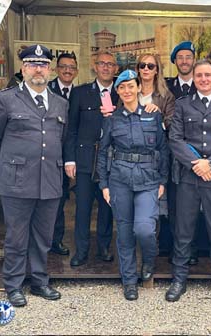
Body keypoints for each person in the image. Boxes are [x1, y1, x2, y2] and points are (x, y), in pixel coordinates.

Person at [0, 44, 68, 307]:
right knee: (17, 237)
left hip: (50, 180)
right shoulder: (5, 99)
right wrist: (13, 163)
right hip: (17, 181)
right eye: (32, 64)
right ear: (23, 69)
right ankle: (13, 284)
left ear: (49, 69)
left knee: (43, 237)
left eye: (43, 65)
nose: (38, 69)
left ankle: (40, 282)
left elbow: (60, 139)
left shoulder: (60, 103)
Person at [166, 59, 211, 304]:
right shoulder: (183, 104)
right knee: (183, 230)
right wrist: (198, 164)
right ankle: (179, 279)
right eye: (199, 76)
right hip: (189, 176)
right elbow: (175, 139)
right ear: (194, 78)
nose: (204, 79)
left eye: (208, 75)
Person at [96, 69, 168, 300]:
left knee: (144, 229)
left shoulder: (153, 115)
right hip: (120, 180)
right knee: (125, 232)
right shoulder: (112, 119)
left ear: (138, 87)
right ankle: (129, 281)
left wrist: (163, 180)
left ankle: (148, 261)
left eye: (130, 85)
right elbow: (103, 152)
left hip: (148, 179)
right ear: (117, 91)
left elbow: (163, 149)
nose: (127, 90)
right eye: (122, 87)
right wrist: (104, 185)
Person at [65, 51, 118, 267]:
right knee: (83, 208)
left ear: (116, 69)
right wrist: (70, 159)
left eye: (110, 64)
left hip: (112, 161)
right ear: (95, 67)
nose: (106, 67)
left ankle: (104, 248)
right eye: (102, 64)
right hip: (85, 160)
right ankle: (82, 250)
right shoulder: (80, 93)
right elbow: (71, 130)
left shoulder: (123, 92)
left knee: (107, 208)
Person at [164, 41, 201, 264]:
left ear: (194, 59)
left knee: (195, 205)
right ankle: (175, 249)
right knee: (175, 204)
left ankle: (193, 249)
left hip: (198, 154)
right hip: (172, 153)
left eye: (188, 57)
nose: (185, 61)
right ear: (175, 61)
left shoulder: (205, 85)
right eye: (180, 57)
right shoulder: (166, 86)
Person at [47, 52, 78, 256]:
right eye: (64, 66)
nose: (67, 70)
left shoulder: (79, 93)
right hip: (47, 155)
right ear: (56, 69)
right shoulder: (46, 90)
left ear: (76, 71)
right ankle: (41, 241)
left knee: (59, 199)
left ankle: (55, 240)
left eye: (72, 67)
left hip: (67, 157)